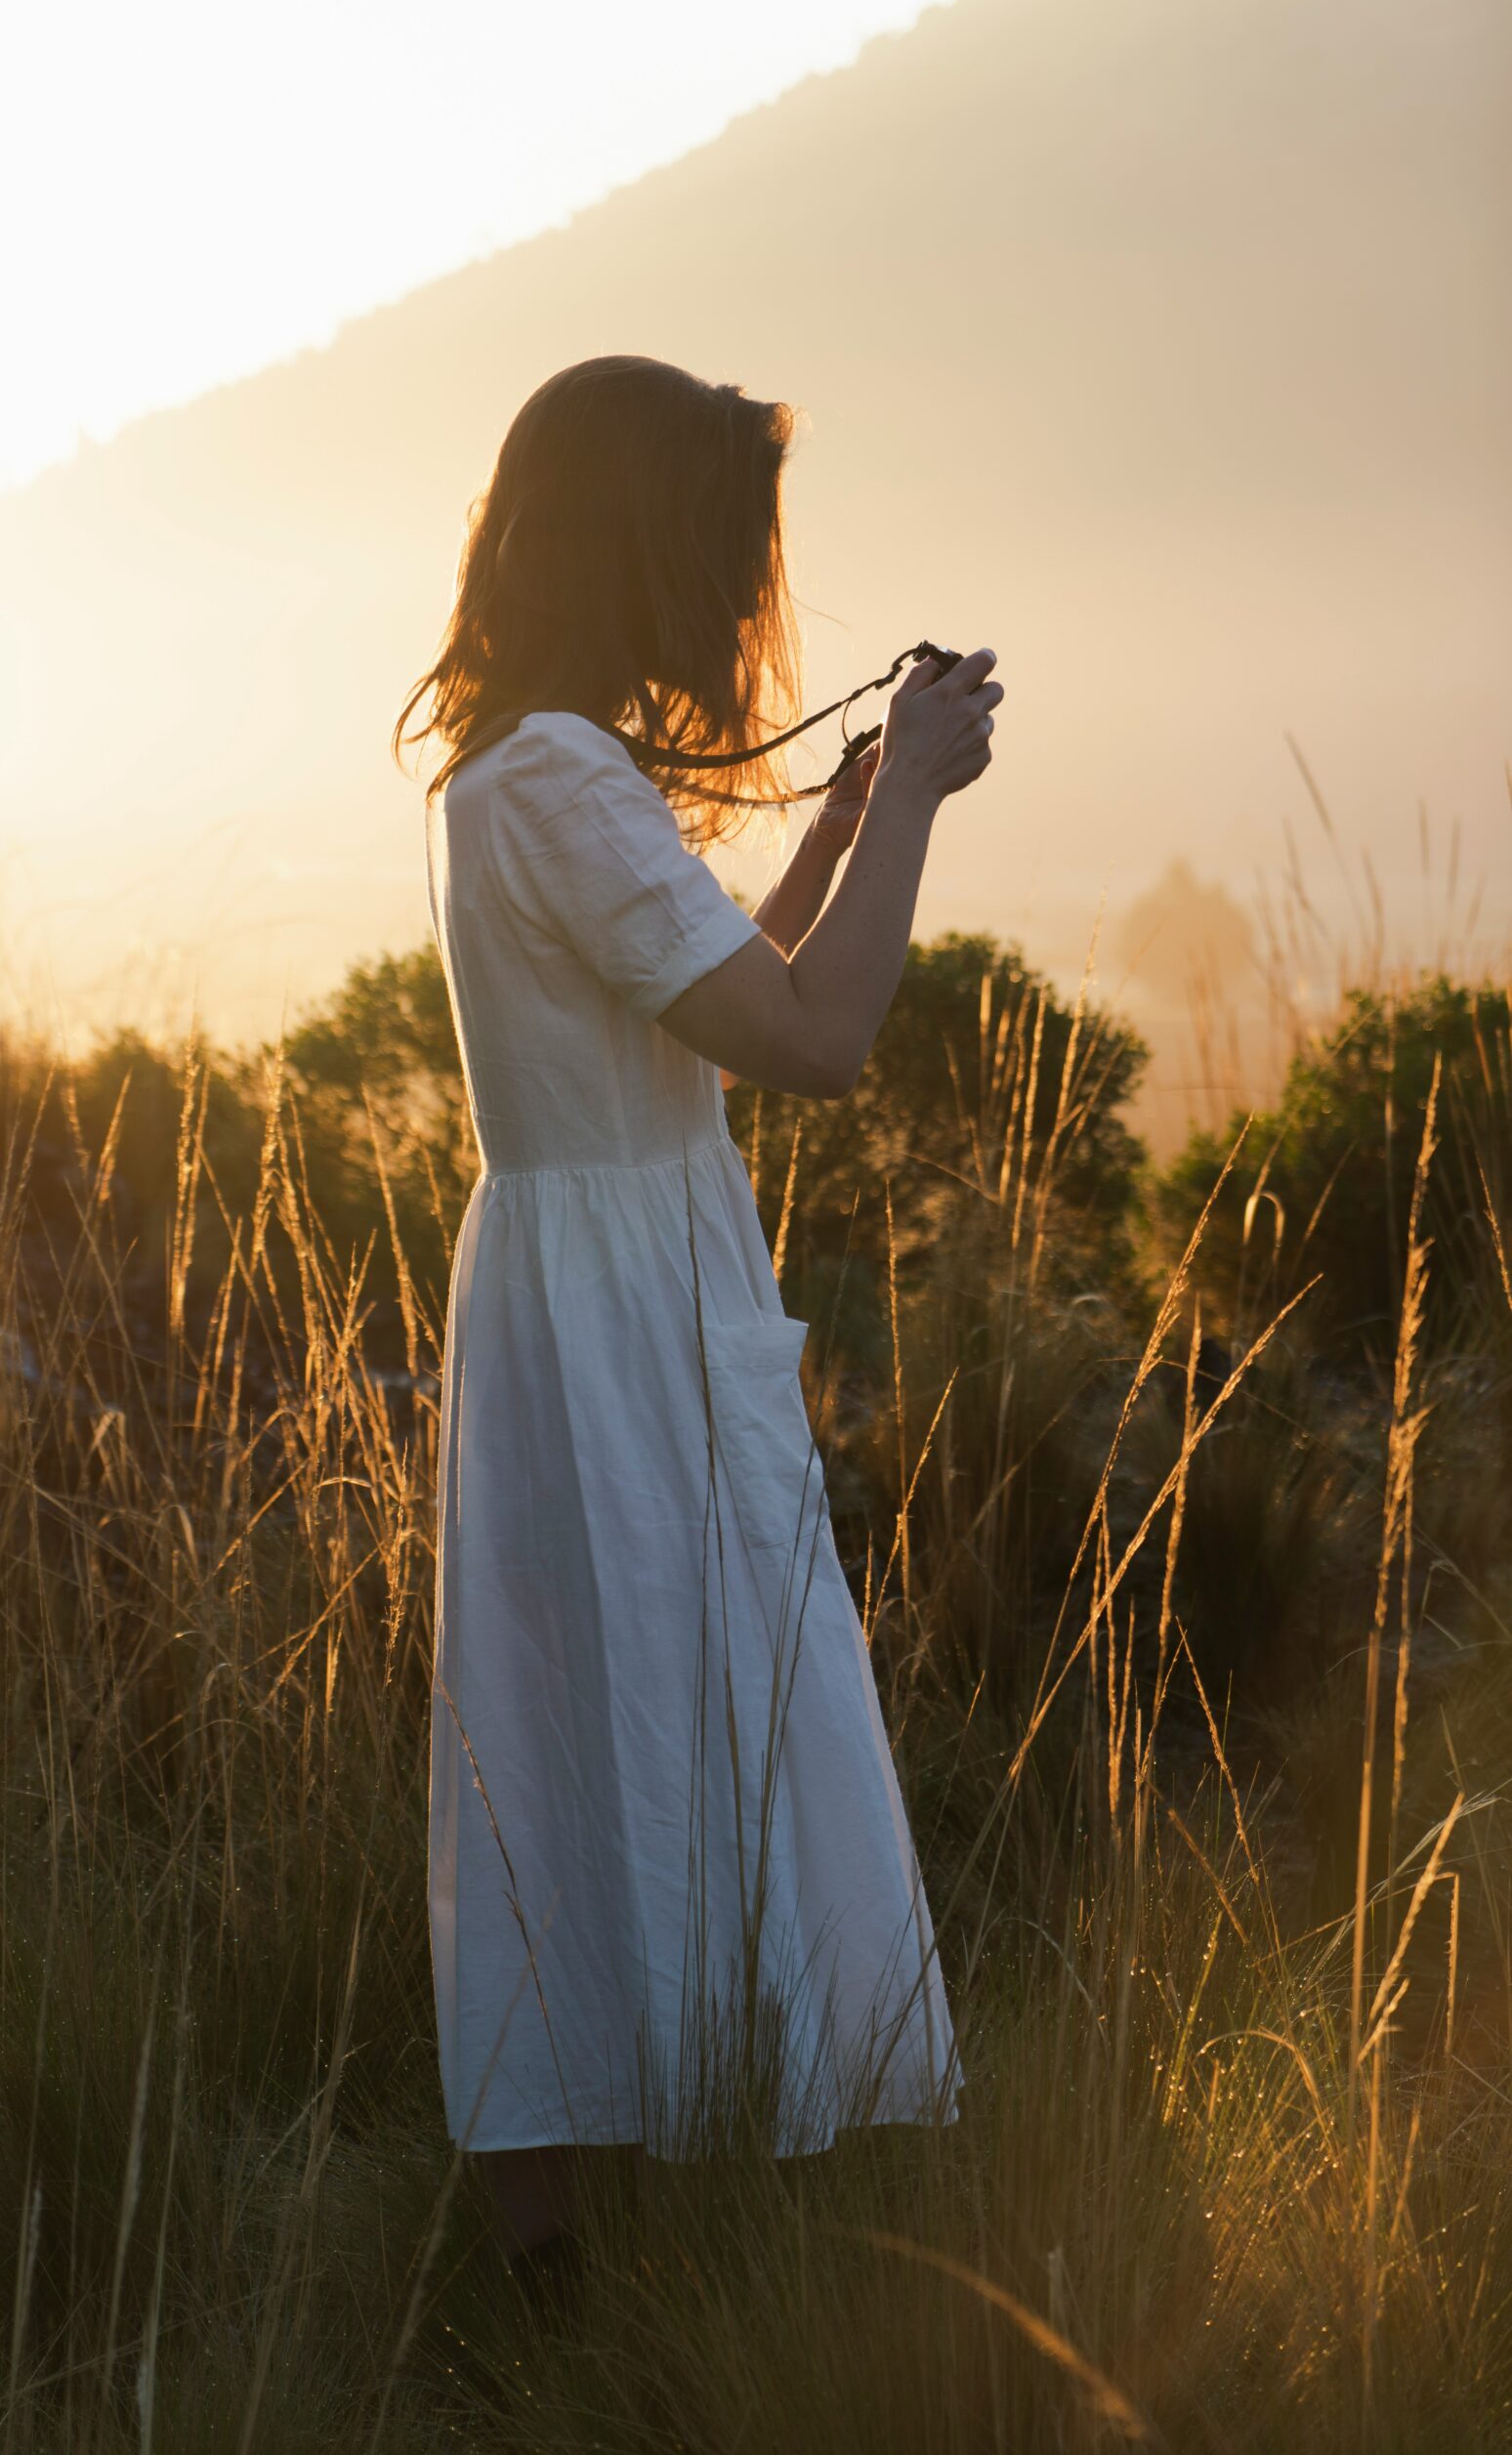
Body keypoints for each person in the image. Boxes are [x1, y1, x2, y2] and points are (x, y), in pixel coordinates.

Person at [393, 355, 1003, 2273]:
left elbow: (705, 995)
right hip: (624, 1307)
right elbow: (812, 1037)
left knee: (583, 1720)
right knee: (680, 1707)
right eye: (725, 547)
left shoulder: (517, 770)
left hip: (583, 1288)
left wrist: (821, 834)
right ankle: (670, 2228)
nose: (747, 598)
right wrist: (909, 790)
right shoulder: (561, 781)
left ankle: (577, 2239)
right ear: (640, 545)